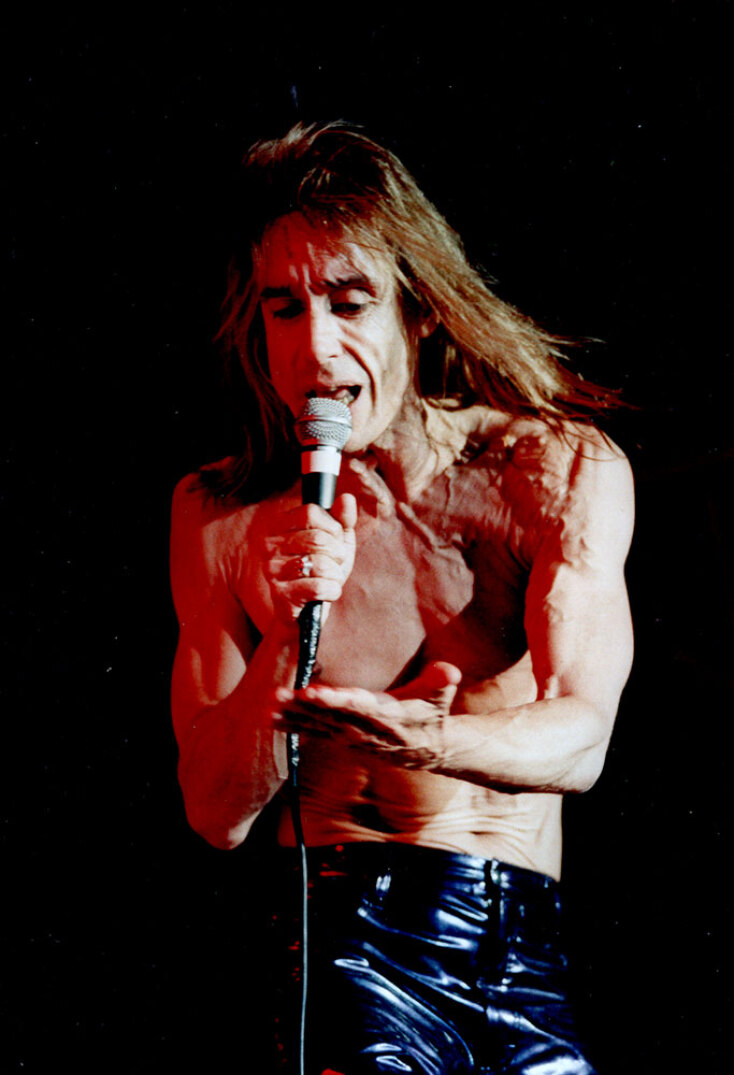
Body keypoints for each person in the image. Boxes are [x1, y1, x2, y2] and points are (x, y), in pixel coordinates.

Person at [169, 122, 634, 1074]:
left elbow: (583, 737)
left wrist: (431, 741)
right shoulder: (223, 514)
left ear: (420, 309)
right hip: (353, 945)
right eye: (285, 309)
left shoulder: (548, 473)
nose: (317, 347)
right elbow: (215, 811)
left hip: (524, 953)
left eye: (350, 302)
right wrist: (288, 638)